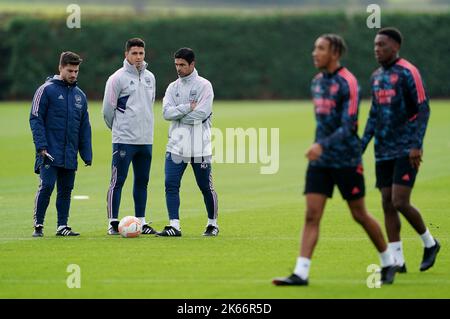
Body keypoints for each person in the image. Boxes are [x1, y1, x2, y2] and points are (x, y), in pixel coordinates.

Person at [273, 34, 398, 286]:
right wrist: (319, 147)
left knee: (359, 214)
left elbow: (348, 125)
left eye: (320, 49)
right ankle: (301, 272)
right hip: (320, 161)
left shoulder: (348, 82)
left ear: (335, 53)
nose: (314, 53)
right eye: (314, 48)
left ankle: (388, 261)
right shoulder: (317, 82)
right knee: (311, 215)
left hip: (346, 159)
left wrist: (321, 145)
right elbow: (323, 124)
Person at [361, 27, 440, 272]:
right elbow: (374, 115)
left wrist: (416, 144)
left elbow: (422, 109)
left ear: (395, 47)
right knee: (386, 202)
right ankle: (398, 260)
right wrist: (361, 145)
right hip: (383, 150)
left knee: (399, 201)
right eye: (375, 44)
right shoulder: (376, 77)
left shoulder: (408, 72)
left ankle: (430, 243)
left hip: (406, 149)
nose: (377, 49)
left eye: (382, 45)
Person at [157, 47, 219, 237]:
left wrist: (178, 115)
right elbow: (166, 113)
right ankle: (174, 226)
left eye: (182, 65)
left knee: (205, 186)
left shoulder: (204, 86)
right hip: (175, 146)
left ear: (192, 64)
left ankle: (212, 224)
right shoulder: (172, 87)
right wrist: (186, 108)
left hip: (199, 146)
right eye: (176, 64)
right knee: (171, 184)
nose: (178, 68)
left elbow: (201, 114)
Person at [30, 51, 92, 237]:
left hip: (69, 153)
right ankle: (38, 225)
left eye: (76, 71)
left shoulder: (80, 95)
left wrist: (86, 153)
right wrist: (41, 146)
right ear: (60, 68)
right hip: (48, 151)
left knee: (66, 190)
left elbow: (84, 127)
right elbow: (35, 119)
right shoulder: (46, 90)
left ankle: (62, 226)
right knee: (47, 186)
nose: (73, 74)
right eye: (70, 70)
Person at [102, 38, 157, 235]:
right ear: (126, 55)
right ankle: (112, 222)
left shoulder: (150, 77)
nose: (138, 57)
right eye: (134, 53)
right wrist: (119, 129)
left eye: (141, 53)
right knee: (118, 181)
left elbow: (149, 105)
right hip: (124, 139)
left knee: (142, 181)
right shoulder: (117, 78)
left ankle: (141, 221)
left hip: (146, 140)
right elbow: (108, 110)